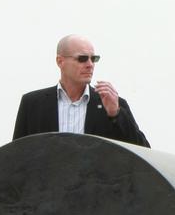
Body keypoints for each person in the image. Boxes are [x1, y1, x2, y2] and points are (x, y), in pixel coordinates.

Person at [13, 34, 150, 147]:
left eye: (93, 59)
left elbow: (143, 151)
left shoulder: (111, 104)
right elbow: (16, 156)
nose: (90, 65)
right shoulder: (32, 104)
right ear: (60, 61)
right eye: (82, 59)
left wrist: (115, 115)